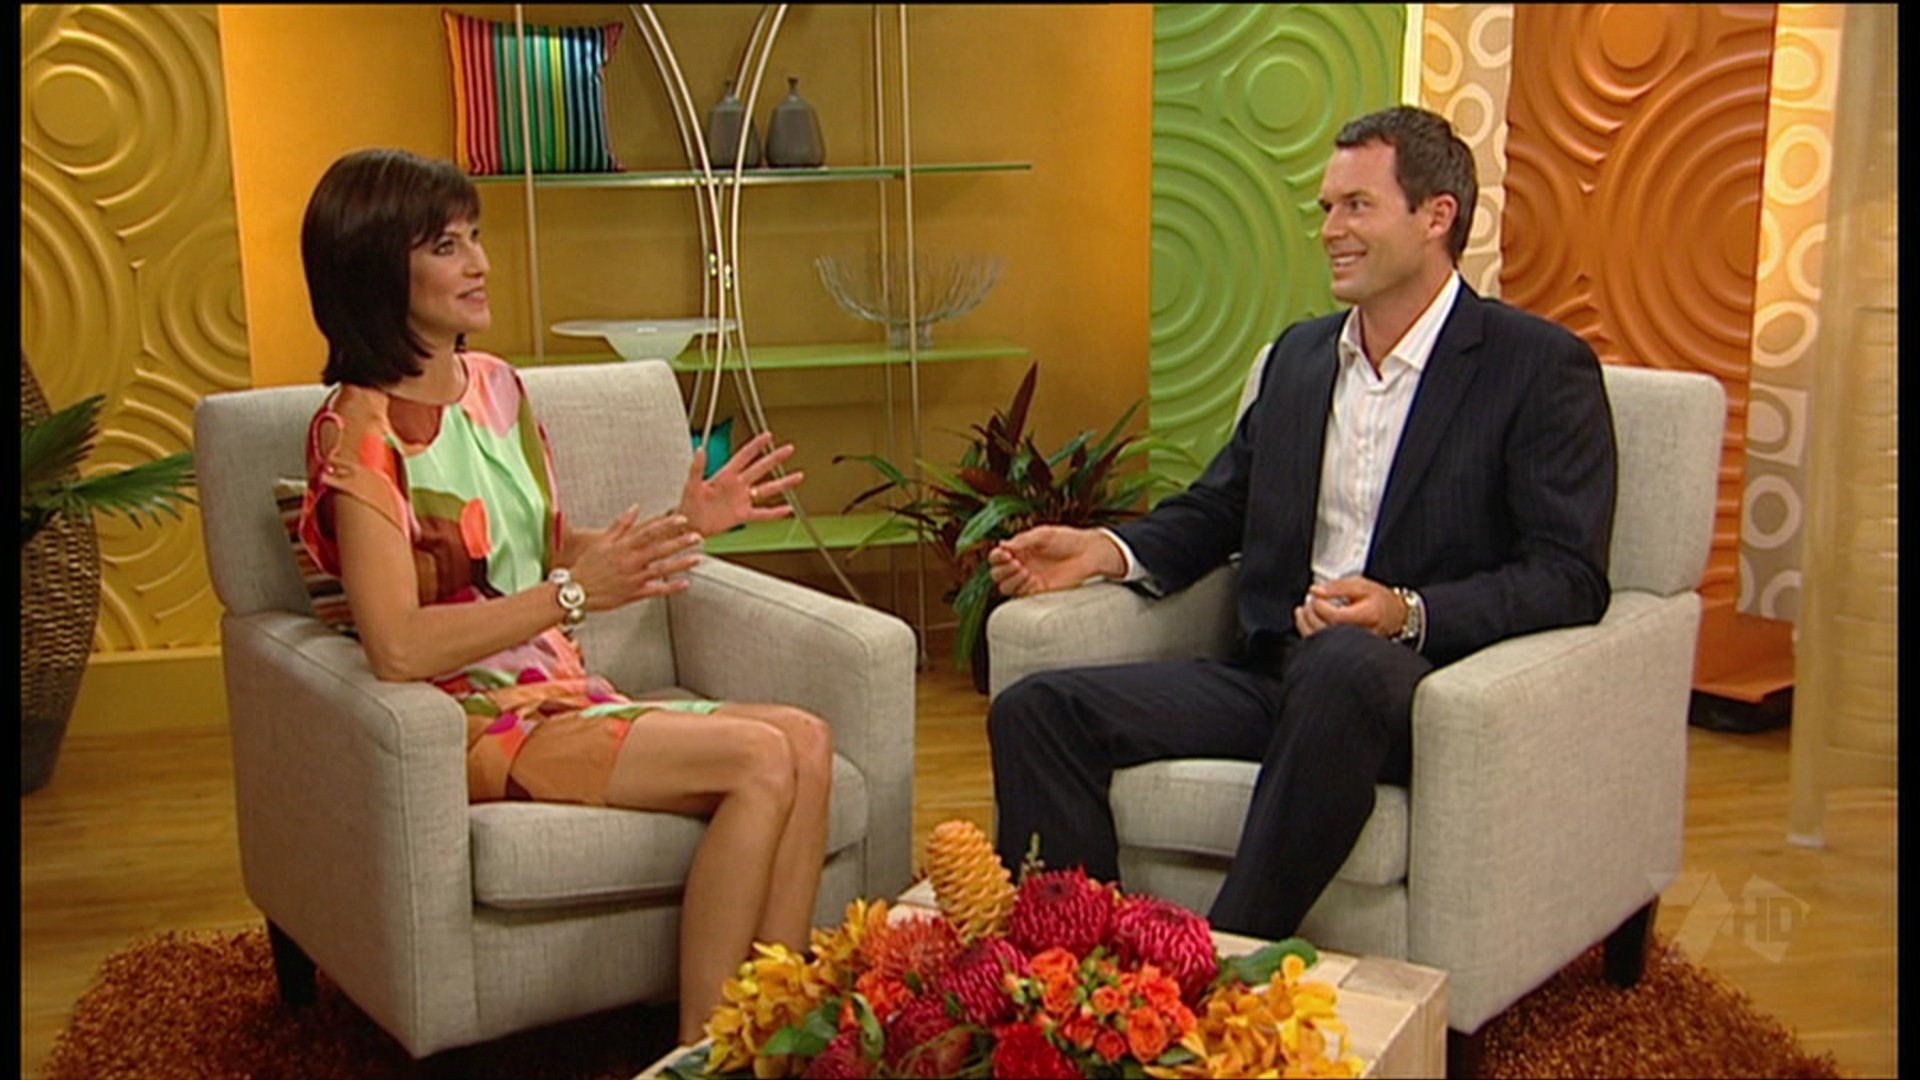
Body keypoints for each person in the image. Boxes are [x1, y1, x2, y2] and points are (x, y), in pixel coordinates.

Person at [985, 106, 1618, 940]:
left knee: (1344, 664)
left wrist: (1404, 611)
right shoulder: (1300, 357)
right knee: (1035, 710)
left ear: (1437, 217)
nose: (1330, 231)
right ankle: (1085, 967)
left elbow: (1569, 576)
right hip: (1274, 673)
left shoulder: (1535, 367)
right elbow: (1222, 505)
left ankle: (1222, 958)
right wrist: (1105, 550)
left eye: (1357, 206)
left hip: (1417, 686)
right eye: (1326, 208)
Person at [294, 146, 828, 1042]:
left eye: (475, 237)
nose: (479, 263)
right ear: (376, 270)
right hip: (477, 720)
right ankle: (703, 1048)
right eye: (447, 246)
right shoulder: (358, 434)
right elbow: (397, 646)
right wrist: (574, 595)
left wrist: (684, 523)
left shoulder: (495, 387)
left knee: (807, 739)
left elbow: (545, 551)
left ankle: (775, 1035)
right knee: (759, 759)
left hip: (563, 693)